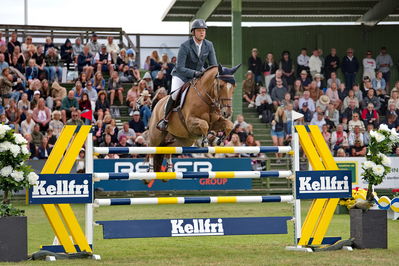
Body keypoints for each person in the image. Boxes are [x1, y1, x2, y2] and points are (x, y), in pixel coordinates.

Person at [156, 19, 217, 131]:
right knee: (175, 95)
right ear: (193, 32)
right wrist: (195, 73)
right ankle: (165, 119)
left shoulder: (209, 45)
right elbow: (180, 67)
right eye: (199, 30)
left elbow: (213, 66)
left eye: (203, 30)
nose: (202, 32)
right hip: (181, 75)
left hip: (198, 77)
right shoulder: (185, 46)